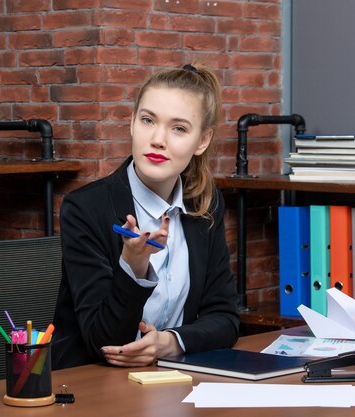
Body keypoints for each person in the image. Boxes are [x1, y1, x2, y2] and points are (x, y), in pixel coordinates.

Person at [52, 63, 240, 369]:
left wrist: (169, 342)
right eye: (148, 120)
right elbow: (102, 342)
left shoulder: (205, 206)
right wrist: (133, 269)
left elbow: (225, 318)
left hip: (172, 383)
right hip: (92, 389)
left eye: (178, 128)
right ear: (131, 123)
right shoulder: (86, 208)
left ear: (202, 141)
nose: (158, 139)